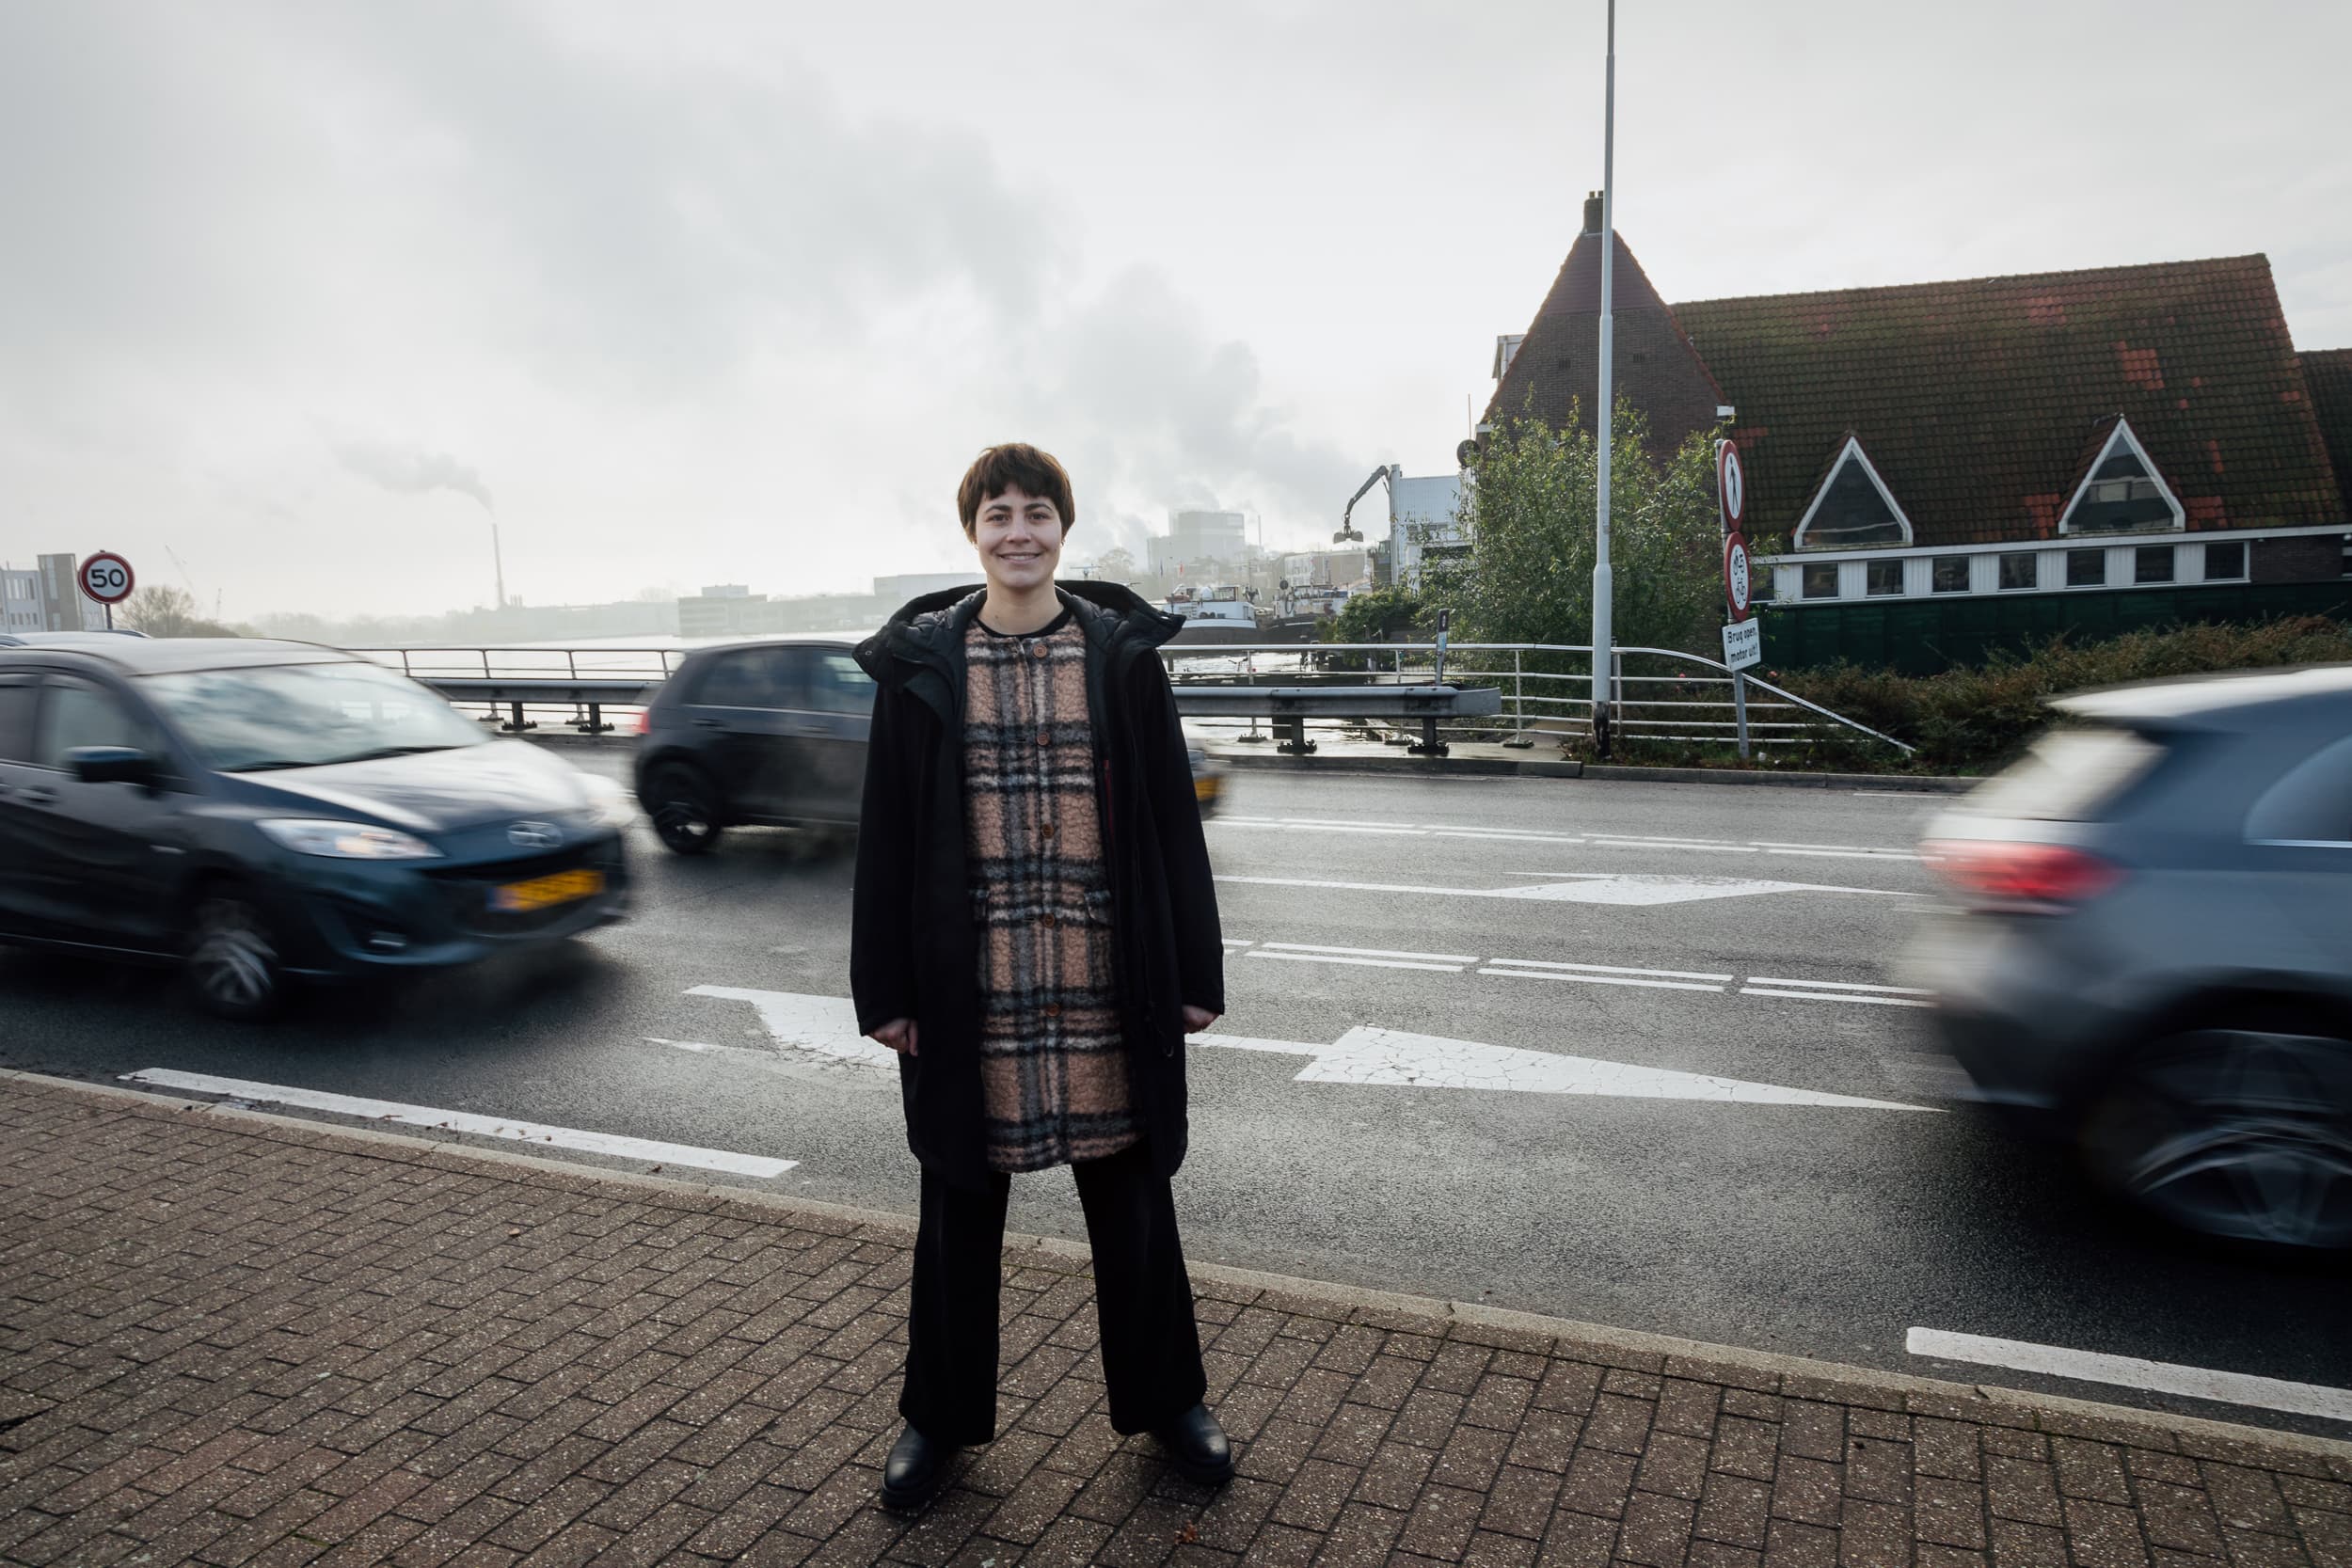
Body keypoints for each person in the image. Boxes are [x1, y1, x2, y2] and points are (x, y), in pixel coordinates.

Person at [850, 443, 1232, 1512]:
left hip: (1104, 978)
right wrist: (885, 991)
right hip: (974, 986)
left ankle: (1171, 1402)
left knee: (1135, 1206)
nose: (1018, 531)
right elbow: (884, 837)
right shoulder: (923, 668)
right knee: (957, 1216)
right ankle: (936, 1417)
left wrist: (1193, 971)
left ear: (1065, 527)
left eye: (1037, 512)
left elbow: (1169, 824)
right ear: (971, 532)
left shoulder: (1117, 655)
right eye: (998, 514)